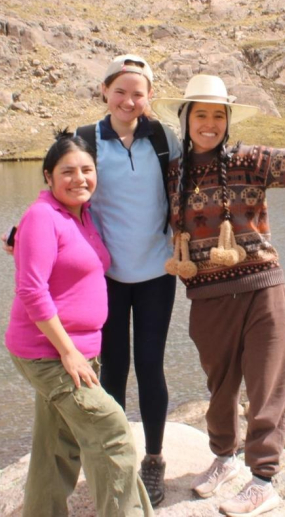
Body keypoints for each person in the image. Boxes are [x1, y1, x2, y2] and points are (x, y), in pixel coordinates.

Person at [152, 74, 285, 517]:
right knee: (220, 388)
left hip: (263, 291)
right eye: (200, 115)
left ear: (228, 120)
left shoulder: (253, 159)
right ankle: (224, 459)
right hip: (206, 298)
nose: (209, 124)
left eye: (218, 115)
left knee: (268, 386)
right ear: (185, 120)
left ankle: (263, 480)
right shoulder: (170, 175)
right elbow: (108, 203)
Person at [5, 129, 153, 517]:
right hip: (50, 353)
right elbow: (32, 291)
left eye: (87, 169)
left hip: (77, 351)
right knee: (112, 432)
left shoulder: (82, 216)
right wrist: (68, 353)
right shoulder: (41, 216)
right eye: (67, 171)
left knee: (57, 448)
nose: (79, 178)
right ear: (48, 177)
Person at [75, 54, 181, 506]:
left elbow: (192, 185)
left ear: (149, 96)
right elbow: (60, 195)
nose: (128, 100)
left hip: (157, 272)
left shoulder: (163, 138)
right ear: (104, 91)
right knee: (114, 370)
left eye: (138, 93)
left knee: (151, 366)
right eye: (120, 90)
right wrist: (22, 232)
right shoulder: (85, 140)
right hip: (107, 277)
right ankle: (117, 460)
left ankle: (153, 462)